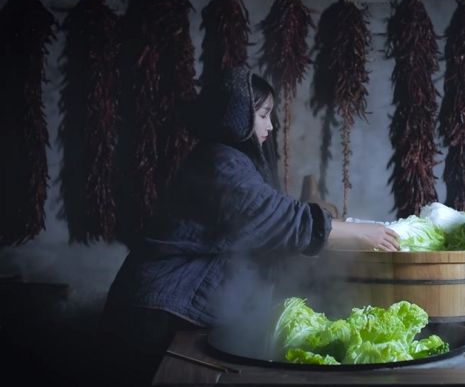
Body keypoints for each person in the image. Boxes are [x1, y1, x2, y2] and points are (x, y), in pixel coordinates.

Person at [97, 66, 399, 386]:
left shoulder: (229, 160)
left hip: (164, 312)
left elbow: (260, 232)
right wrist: (362, 232)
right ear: (237, 116)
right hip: (154, 316)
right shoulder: (220, 161)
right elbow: (278, 218)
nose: (270, 124)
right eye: (263, 114)